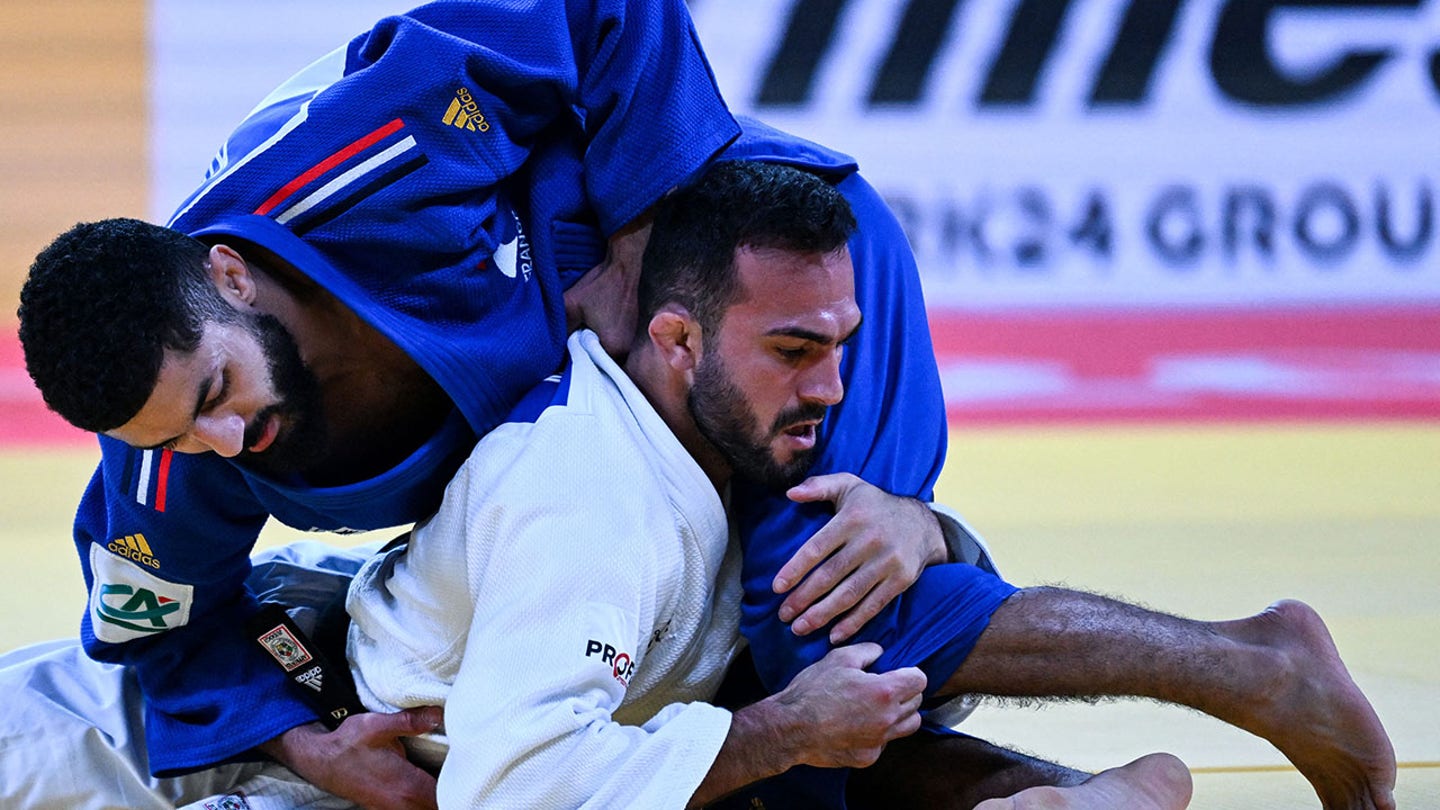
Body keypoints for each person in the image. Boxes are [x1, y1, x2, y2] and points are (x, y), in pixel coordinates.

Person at [11, 4, 1394, 810]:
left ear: (233, 276)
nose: (220, 446)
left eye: (219, 397)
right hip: (637, 410)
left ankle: (1252, 664)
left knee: (812, 600)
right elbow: (158, 641)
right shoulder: (166, 467)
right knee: (719, 697)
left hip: (759, 285)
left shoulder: (369, 154)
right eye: (172, 439)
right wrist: (305, 740)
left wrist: (638, 235)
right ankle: (1049, 795)